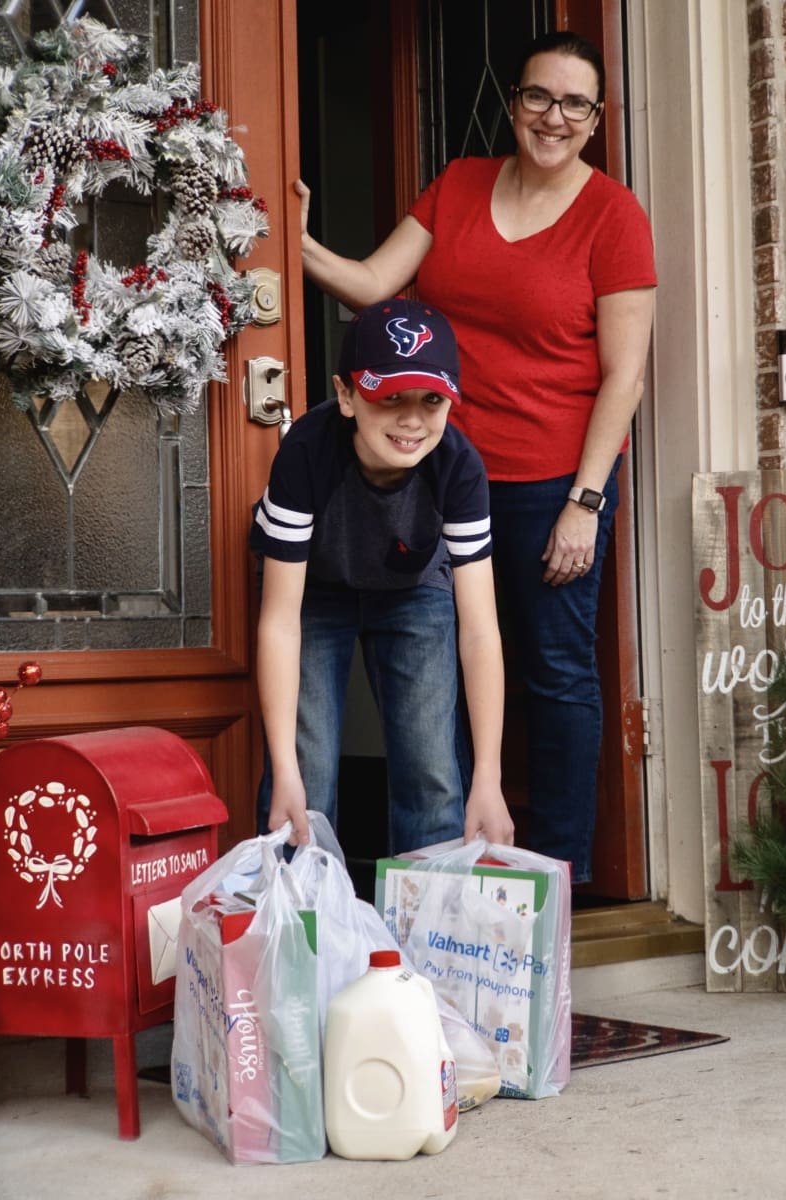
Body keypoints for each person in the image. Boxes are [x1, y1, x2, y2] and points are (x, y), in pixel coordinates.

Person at [292, 30, 656, 886]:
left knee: (555, 674)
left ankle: (557, 880)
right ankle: (450, 879)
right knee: (434, 670)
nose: (552, 117)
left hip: (549, 487)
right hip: (440, 474)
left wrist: (587, 500)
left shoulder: (613, 216)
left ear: (596, 120)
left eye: (574, 103)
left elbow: (625, 375)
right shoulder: (458, 185)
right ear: (513, 100)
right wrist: (293, 240)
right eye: (538, 96)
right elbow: (377, 282)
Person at [251, 297, 514, 854]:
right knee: (306, 765)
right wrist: (283, 768)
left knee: (432, 767)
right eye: (389, 398)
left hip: (413, 588)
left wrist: (488, 775)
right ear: (346, 395)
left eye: (432, 400)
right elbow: (279, 622)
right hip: (315, 595)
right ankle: (300, 922)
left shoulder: (459, 468)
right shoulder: (304, 454)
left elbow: (480, 629)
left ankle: (432, 930)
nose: (413, 419)